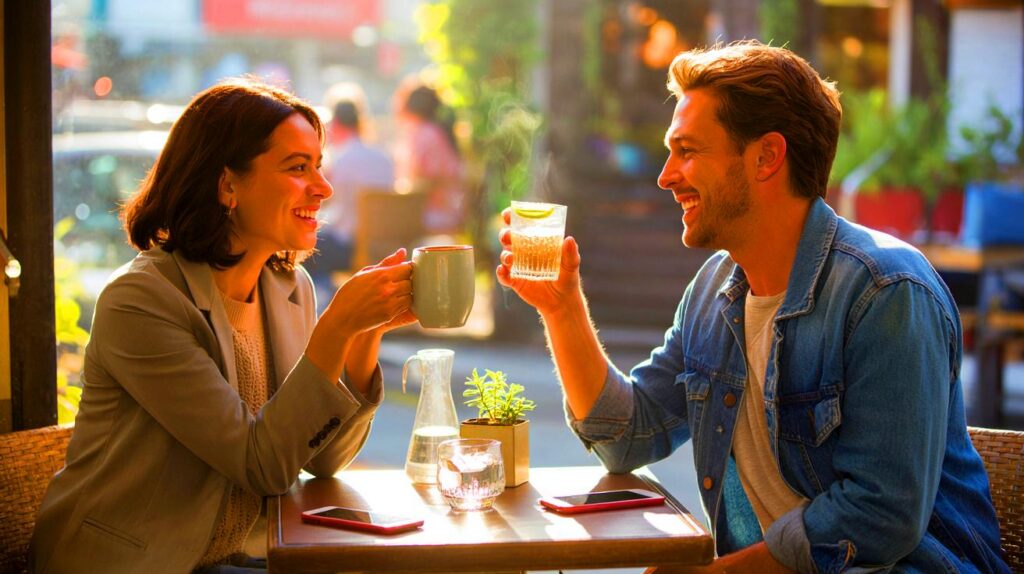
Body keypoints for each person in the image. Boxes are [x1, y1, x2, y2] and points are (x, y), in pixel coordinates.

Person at [497, 41, 1009, 573]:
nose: (666, 175)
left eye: (688, 151)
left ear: (766, 156)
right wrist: (561, 308)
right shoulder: (716, 291)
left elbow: (879, 516)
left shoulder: (886, 292)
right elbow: (628, 436)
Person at [30, 77, 414, 573]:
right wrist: (336, 326)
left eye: (318, 166)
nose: (323, 188)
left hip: (236, 557)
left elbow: (321, 458)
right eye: (298, 168)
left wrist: (364, 334)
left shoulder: (288, 287)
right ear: (227, 184)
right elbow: (261, 466)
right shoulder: (142, 301)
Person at [307, 83, 395, 307]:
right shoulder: (384, 159)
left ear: (335, 123)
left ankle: (319, 302)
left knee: (306, 247)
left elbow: (325, 203)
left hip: (350, 247)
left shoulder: (339, 160)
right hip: (386, 244)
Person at [393, 78, 464, 236]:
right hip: (441, 212)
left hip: (434, 214)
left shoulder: (425, 134)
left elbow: (430, 180)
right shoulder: (433, 132)